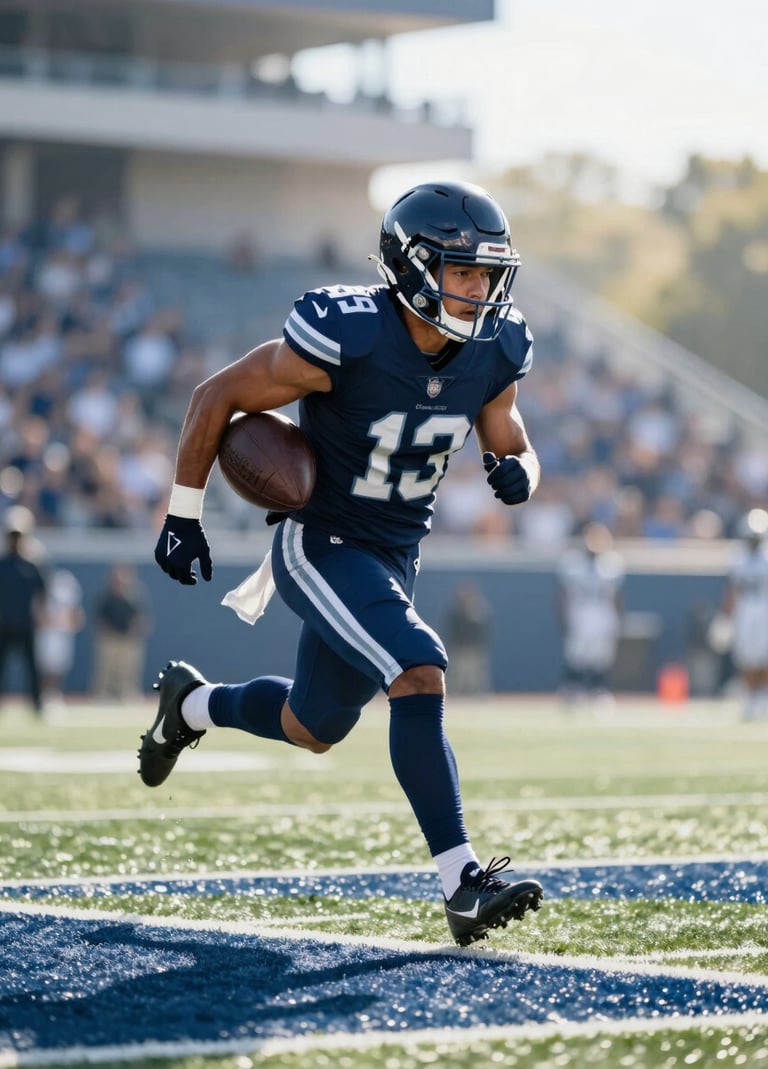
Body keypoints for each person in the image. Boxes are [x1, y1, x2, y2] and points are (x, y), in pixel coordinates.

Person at [141, 180, 544, 946]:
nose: (478, 288)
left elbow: (511, 434)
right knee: (419, 669)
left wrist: (522, 468)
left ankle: (188, 706)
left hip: (394, 554)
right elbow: (217, 395)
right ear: (414, 266)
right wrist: (183, 514)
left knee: (312, 725)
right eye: (462, 270)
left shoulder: (495, 346)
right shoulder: (350, 331)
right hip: (321, 540)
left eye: (487, 273)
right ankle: (461, 881)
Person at [556, 522, 625, 709]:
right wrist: (563, 618)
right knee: (576, 655)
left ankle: (599, 692)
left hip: (603, 616)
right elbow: (563, 594)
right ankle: (572, 691)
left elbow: (616, 596)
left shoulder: (612, 564)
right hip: (579, 615)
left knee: (601, 657)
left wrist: (619, 619)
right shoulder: (572, 563)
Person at [720, 508, 768, 721]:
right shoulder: (738, 559)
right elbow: (733, 590)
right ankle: (750, 697)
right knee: (746, 657)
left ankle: (763, 697)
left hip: (764, 610)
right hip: (745, 611)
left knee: (764, 656)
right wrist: (725, 617)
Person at [0, 506, 47, 717]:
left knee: (33, 668)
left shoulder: (32, 565)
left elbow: (42, 592)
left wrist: (41, 616)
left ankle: (38, 704)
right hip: (4, 624)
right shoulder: (2, 565)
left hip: (26, 623)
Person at [92, 564, 153, 701]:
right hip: (110, 638)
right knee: (106, 669)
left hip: (128, 638)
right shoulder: (107, 596)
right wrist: (106, 631)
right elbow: (99, 619)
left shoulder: (134, 596)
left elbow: (140, 617)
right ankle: (102, 694)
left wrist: (138, 629)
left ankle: (128, 693)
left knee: (129, 669)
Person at [37, 568, 85, 708]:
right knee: (46, 668)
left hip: (63, 636)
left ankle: (55, 695)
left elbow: (78, 617)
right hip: (48, 635)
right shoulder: (44, 592)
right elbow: (39, 612)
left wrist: (69, 624)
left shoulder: (70, 594)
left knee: (60, 668)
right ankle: (44, 695)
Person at [442, 582, 493, 695]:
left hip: (474, 649)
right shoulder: (455, 613)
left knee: (477, 676)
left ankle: (479, 695)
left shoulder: (479, 611)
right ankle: (456, 695)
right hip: (459, 649)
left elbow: (483, 629)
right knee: (457, 676)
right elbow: (451, 630)